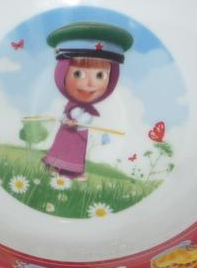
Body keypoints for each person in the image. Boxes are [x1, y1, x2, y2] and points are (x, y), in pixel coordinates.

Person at [39, 21, 133, 182]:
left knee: (75, 153)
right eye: (78, 74)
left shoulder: (84, 110)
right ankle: (55, 167)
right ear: (62, 72)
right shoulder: (70, 105)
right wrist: (65, 120)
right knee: (61, 149)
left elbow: (85, 119)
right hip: (66, 132)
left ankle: (72, 172)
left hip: (79, 134)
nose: (90, 84)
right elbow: (64, 115)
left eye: (100, 75)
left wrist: (77, 122)